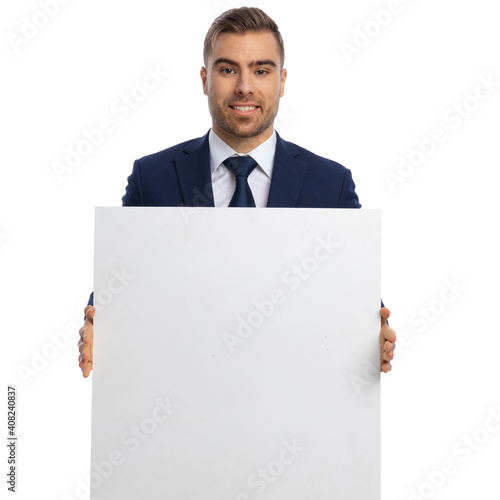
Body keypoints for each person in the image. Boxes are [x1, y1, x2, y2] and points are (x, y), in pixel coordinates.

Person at [78, 7, 396, 377]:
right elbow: (120, 281)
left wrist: (376, 333)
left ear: (282, 81)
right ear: (204, 79)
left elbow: (354, 294)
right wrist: (97, 327)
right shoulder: (153, 177)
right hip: (179, 393)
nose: (245, 86)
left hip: (294, 394)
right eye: (228, 69)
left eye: (261, 70)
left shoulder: (331, 183)